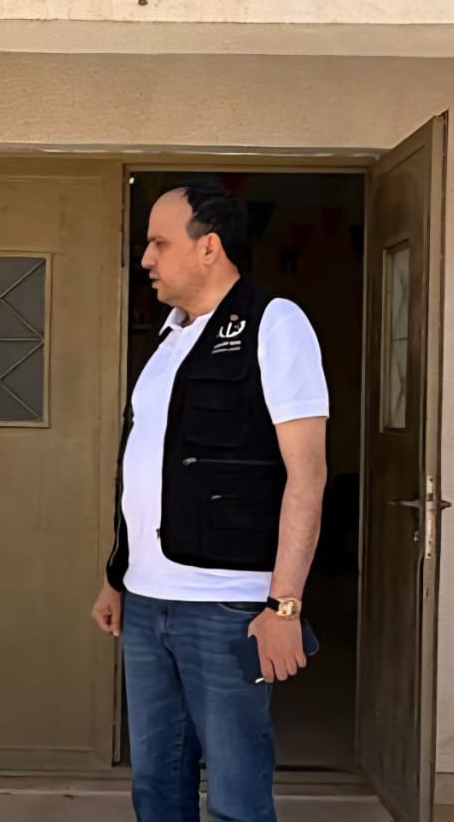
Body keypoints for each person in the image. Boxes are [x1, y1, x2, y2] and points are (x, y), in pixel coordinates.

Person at [91, 181, 329, 822]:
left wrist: (283, 606)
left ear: (209, 248)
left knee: (236, 797)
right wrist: (117, 576)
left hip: (226, 607)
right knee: (156, 790)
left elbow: (307, 476)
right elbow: (144, 472)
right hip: (147, 605)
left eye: (159, 243)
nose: (146, 259)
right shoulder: (169, 342)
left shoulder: (275, 324)